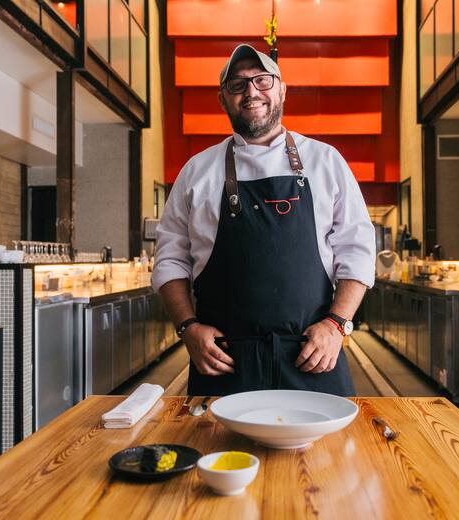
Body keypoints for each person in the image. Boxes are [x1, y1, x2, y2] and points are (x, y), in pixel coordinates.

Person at [152, 44, 375, 396]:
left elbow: (357, 251)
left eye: (262, 80)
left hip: (313, 355)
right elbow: (170, 260)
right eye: (237, 85)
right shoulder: (197, 172)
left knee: (323, 452)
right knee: (218, 451)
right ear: (222, 99)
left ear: (282, 90)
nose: (251, 91)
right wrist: (187, 327)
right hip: (224, 361)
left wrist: (336, 324)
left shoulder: (326, 162)